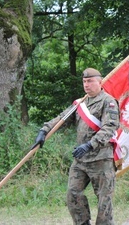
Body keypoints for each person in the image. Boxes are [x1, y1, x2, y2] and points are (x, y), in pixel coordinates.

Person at [30, 68, 120, 225]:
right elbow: (61, 118)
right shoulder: (80, 103)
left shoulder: (109, 102)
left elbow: (109, 128)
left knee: (104, 200)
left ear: (100, 82)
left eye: (90, 81)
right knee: (73, 193)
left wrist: (89, 145)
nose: (86, 84)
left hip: (101, 159)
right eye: (84, 81)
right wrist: (44, 130)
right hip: (81, 160)